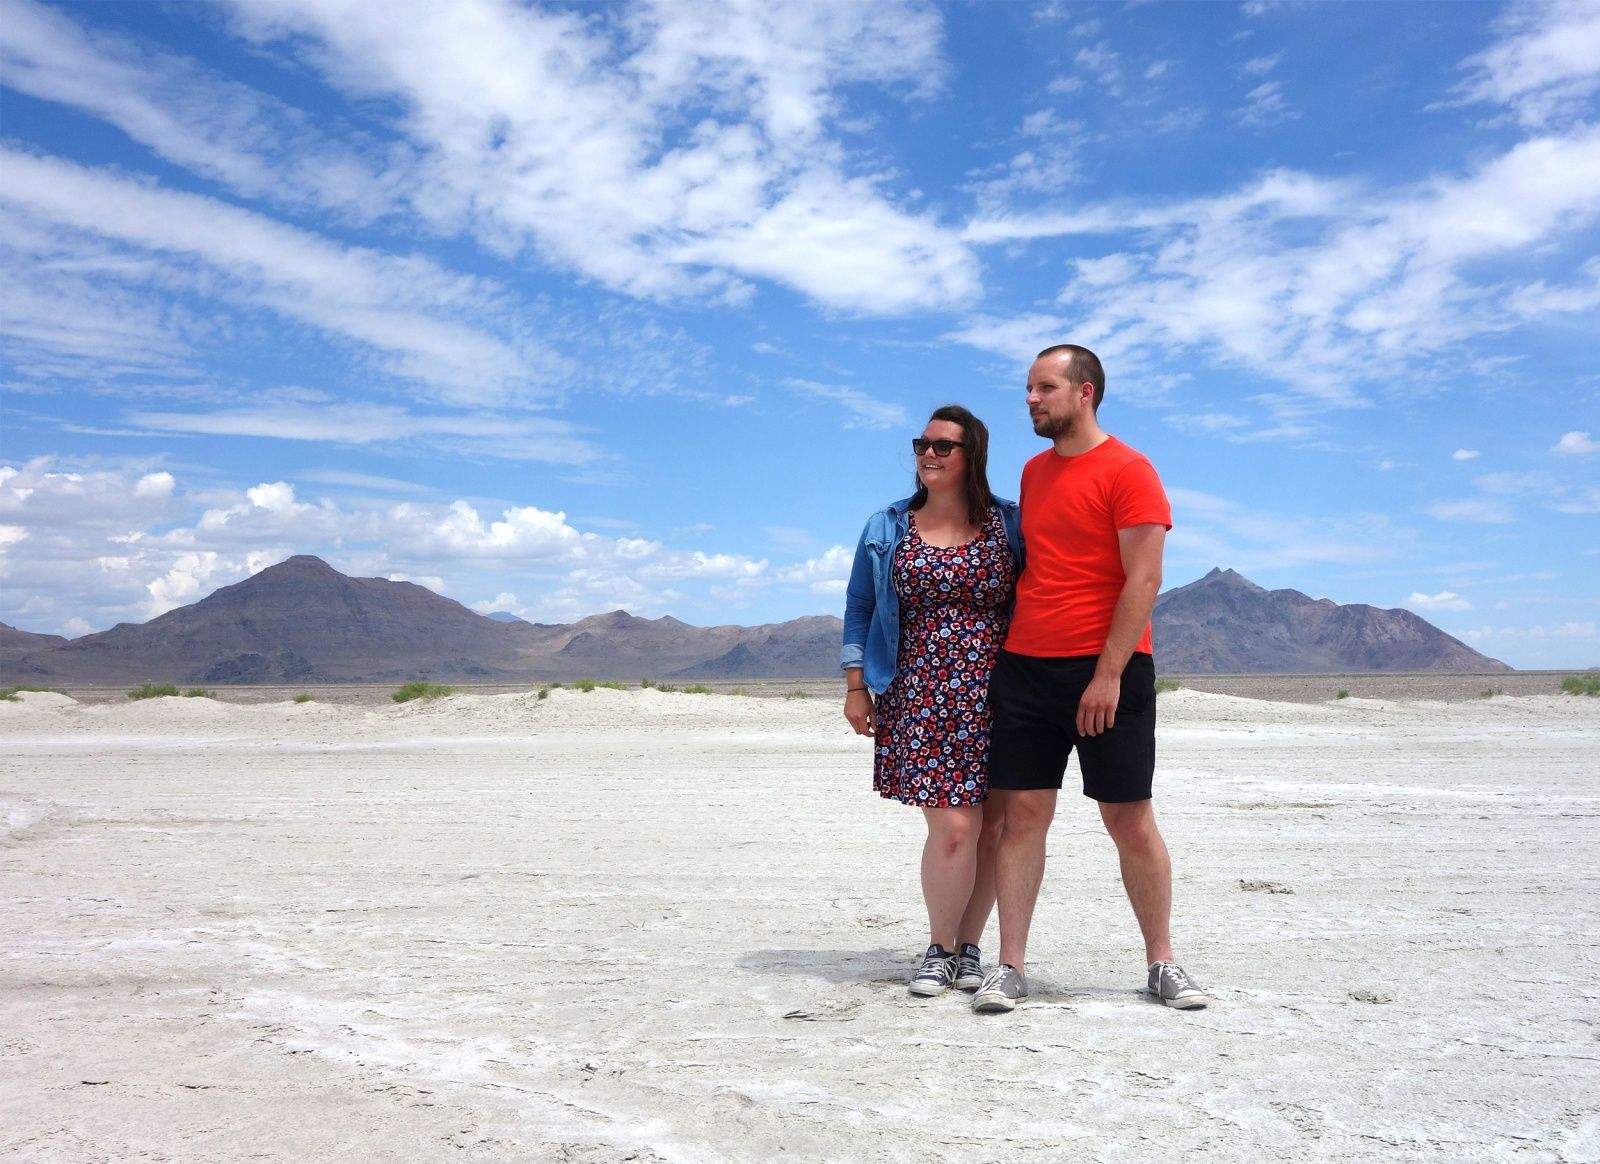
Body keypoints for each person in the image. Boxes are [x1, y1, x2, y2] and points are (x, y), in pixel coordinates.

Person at [971, 344, 1210, 1015]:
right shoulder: (1033, 472)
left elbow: (1145, 577)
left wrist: (1107, 675)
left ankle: (1162, 962)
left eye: (1044, 387)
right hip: (1026, 666)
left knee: (1127, 817)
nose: (1030, 399)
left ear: (1085, 392)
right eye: (1028, 388)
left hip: (1109, 669)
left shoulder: (1131, 470)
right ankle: (1010, 967)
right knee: (1022, 816)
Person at [841, 404, 1025, 998]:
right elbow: (860, 607)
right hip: (919, 692)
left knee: (991, 829)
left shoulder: (1010, 524)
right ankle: (939, 947)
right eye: (922, 443)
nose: (928, 453)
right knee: (953, 828)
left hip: (1000, 691)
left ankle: (969, 947)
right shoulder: (887, 526)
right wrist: (855, 684)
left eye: (944, 446)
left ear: (973, 455)